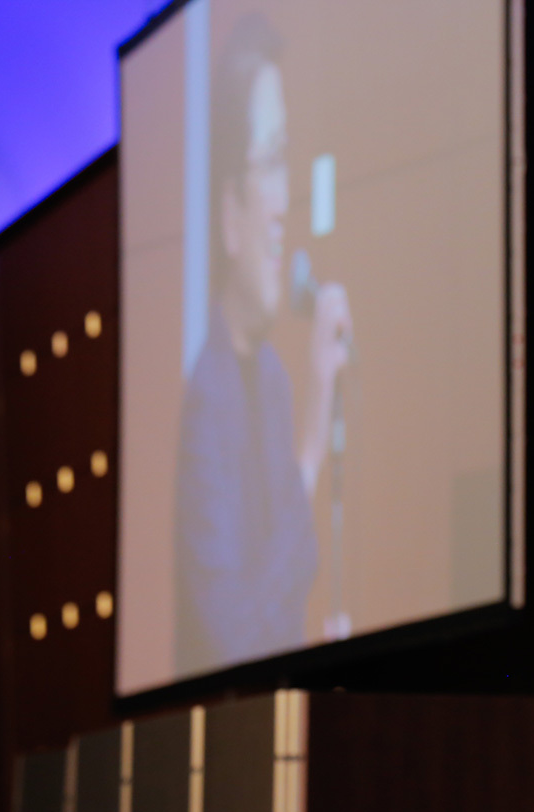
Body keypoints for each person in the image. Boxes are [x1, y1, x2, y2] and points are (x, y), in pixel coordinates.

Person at [175, 14, 351, 675]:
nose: (284, 205)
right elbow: (232, 638)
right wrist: (313, 438)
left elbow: (278, 597)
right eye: (270, 163)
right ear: (229, 211)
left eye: (286, 163)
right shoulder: (209, 395)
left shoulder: (270, 377)